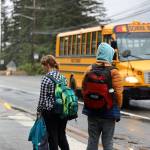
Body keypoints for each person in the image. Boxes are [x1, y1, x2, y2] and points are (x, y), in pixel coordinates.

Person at [82, 43, 123, 150]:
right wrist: (117, 108)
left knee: (92, 141)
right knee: (108, 142)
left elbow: (83, 88)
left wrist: (90, 101)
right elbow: (118, 93)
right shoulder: (114, 72)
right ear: (109, 55)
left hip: (91, 111)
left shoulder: (89, 69)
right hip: (109, 112)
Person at [37, 55, 70, 150]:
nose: (42, 68)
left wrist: (39, 112)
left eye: (43, 65)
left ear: (47, 65)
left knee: (52, 137)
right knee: (62, 136)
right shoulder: (63, 77)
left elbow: (42, 99)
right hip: (63, 111)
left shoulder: (46, 78)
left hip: (50, 112)